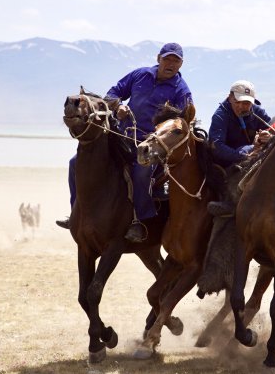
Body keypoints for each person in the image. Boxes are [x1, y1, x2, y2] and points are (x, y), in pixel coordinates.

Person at [56, 42, 193, 243]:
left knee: (141, 171)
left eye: (176, 61)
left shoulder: (181, 91)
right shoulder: (140, 74)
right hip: (121, 135)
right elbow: (112, 93)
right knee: (75, 163)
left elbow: (180, 123)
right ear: (158, 59)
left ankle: (140, 220)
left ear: (181, 64)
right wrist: (118, 106)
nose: (171, 64)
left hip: (152, 144)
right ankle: (76, 213)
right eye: (167, 59)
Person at [208, 80, 272, 169]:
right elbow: (217, 146)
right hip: (225, 164)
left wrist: (268, 136)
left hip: (252, 153)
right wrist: (244, 156)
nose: (241, 106)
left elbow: (274, 131)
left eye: (246, 103)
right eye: (237, 101)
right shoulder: (220, 116)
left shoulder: (258, 112)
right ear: (230, 98)